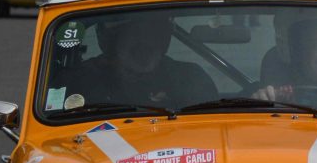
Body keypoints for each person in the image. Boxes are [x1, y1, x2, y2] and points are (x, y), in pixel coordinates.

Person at [65, 13, 216, 110]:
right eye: (135, 39)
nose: (144, 47)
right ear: (112, 43)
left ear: (163, 43)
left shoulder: (189, 78)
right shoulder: (83, 80)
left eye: (152, 37)